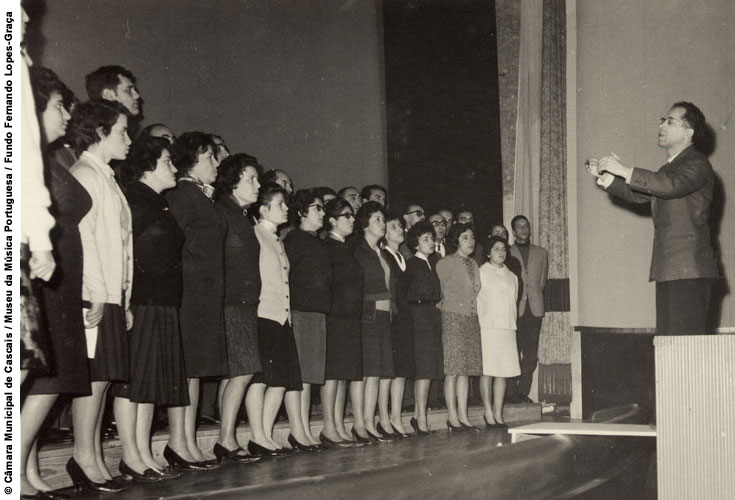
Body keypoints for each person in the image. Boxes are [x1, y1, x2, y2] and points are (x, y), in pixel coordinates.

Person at [590, 101, 719, 335]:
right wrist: (607, 177)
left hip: (689, 271)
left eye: (670, 121)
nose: (662, 125)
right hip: (672, 269)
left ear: (688, 132)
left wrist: (625, 170)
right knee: (669, 347)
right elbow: (641, 195)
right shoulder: (669, 167)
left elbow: (669, 186)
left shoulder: (697, 163)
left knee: (683, 349)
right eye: (662, 120)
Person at [67, 99, 134, 492]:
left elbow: (122, 246)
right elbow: (83, 242)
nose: (128, 138)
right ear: (99, 132)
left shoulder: (105, 176)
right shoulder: (86, 176)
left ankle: (91, 456)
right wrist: (93, 292)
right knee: (93, 381)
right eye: (122, 131)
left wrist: (123, 300)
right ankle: (83, 457)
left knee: (105, 379)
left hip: (110, 294)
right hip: (96, 294)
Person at [22, 65, 82, 499]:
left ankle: (19, 471)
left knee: (32, 371)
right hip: (33, 276)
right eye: (60, 106)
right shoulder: (24, 156)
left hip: (42, 275)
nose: (66, 115)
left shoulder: (44, 158)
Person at [114, 135, 189, 480]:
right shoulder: (135, 201)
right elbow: (125, 253)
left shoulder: (156, 202)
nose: (174, 168)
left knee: (149, 383)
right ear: (147, 166)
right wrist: (126, 298)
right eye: (167, 162)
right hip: (143, 300)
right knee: (135, 381)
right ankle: (130, 454)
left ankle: (142, 451)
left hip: (162, 302)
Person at [165, 132, 227, 469]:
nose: (216, 164)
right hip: (191, 295)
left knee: (194, 371)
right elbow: (173, 244)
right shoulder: (184, 194)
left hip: (205, 296)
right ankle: (178, 441)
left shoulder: (200, 195)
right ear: (190, 161)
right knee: (187, 369)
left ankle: (186, 441)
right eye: (209, 158)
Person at [212, 154, 264, 463]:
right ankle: (226, 440)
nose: (257, 185)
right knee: (242, 372)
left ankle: (226, 437)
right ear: (233, 182)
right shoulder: (224, 213)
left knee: (237, 373)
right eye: (251, 179)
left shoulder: (239, 215)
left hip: (243, 303)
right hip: (234, 303)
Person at [246, 184, 304, 456]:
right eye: (280, 204)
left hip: (281, 317)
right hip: (263, 315)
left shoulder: (277, 238)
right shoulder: (255, 235)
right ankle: (257, 435)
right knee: (261, 379)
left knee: (280, 380)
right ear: (263, 208)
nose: (286, 208)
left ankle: (265, 435)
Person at [283, 189, 333, 448]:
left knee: (311, 375)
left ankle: (303, 429)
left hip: (317, 313)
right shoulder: (294, 240)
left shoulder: (317, 241)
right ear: (302, 212)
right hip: (301, 313)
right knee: (300, 375)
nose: (322, 213)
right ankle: (297, 429)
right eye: (317, 208)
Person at [321, 199, 365, 446]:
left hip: (349, 318)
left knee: (342, 375)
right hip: (336, 317)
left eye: (351, 215)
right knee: (333, 374)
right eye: (346, 215)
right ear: (332, 221)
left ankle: (337, 424)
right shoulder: (328, 246)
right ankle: (328, 426)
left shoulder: (346, 247)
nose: (352, 219)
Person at [353, 201, 395, 442]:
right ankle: (359, 424)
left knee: (377, 374)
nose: (382, 224)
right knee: (366, 373)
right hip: (367, 315)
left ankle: (370, 422)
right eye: (377, 219)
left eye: (383, 219)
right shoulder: (358, 250)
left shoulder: (380, 251)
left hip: (382, 317)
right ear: (365, 223)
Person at [436, 223, 483, 431]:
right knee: (453, 370)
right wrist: (449, 312)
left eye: (472, 237)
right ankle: (452, 417)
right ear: (456, 240)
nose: (470, 241)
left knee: (465, 370)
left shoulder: (473, 264)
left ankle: (464, 416)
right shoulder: (446, 262)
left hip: (471, 320)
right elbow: (439, 292)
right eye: (465, 237)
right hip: (452, 318)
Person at [405, 221, 444, 435]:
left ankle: (421, 415)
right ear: (416, 244)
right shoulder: (412, 264)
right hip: (419, 317)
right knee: (422, 369)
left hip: (431, 316)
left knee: (428, 369)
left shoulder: (433, 263)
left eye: (431, 238)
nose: (431, 242)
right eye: (425, 239)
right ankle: (419, 416)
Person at [477, 236, 521, 427]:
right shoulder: (481, 273)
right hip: (488, 328)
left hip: (507, 328)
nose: (501, 252)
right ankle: (488, 412)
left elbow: (515, 301)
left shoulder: (512, 276)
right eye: (496, 249)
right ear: (488, 252)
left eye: (503, 249)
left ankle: (498, 412)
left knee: (502, 372)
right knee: (487, 372)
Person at [507, 215, 548, 403]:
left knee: (531, 354)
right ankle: (510, 393)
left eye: (526, 226)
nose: (523, 229)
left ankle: (523, 393)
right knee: (512, 351)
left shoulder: (541, 253)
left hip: (535, 310)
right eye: (519, 227)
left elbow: (541, 282)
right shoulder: (506, 252)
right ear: (513, 232)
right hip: (514, 310)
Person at [381, 211, 415, 437]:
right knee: (387, 372)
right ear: (384, 232)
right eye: (394, 226)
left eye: (400, 226)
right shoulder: (383, 255)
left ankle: (396, 417)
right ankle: (383, 418)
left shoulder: (404, 256)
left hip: (405, 319)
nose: (400, 229)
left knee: (401, 371)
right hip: (391, 318)